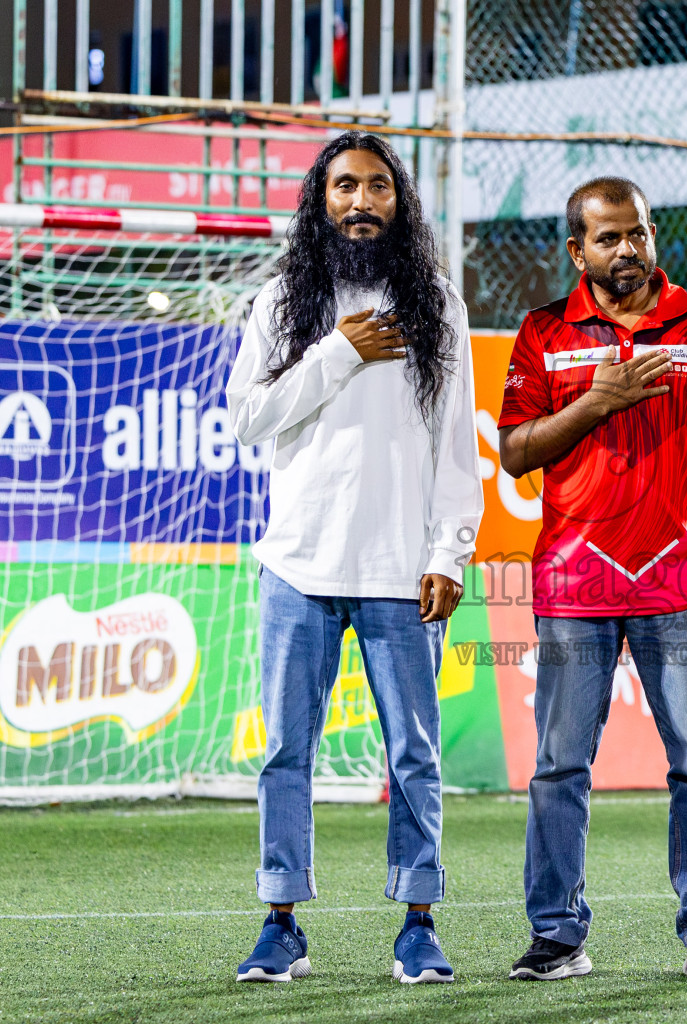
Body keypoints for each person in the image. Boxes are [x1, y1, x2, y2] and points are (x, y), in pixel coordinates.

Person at [225, 131, 483, 985]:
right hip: (298, 568)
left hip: (401, 571)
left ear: (399, 202)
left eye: (378, 186)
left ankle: (417, 922)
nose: (361, 201)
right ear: (321, 199)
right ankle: (280, 922)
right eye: (345, 186)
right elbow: (249, 419)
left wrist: (449, 551)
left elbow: (456, 447)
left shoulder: (437, 303)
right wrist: (338, 351)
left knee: (414, 755)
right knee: (285, 754)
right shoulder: (283, 300)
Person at [496, 177, 687, 982]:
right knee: (558, 767)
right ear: (578, 250)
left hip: (679, 583)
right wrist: (594, 404)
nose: (627, 250)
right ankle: (556, 936)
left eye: (637, 234)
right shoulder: (543, 332)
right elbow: (514, 453)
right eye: (608, 238)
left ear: (653, 236)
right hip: (575, 585)